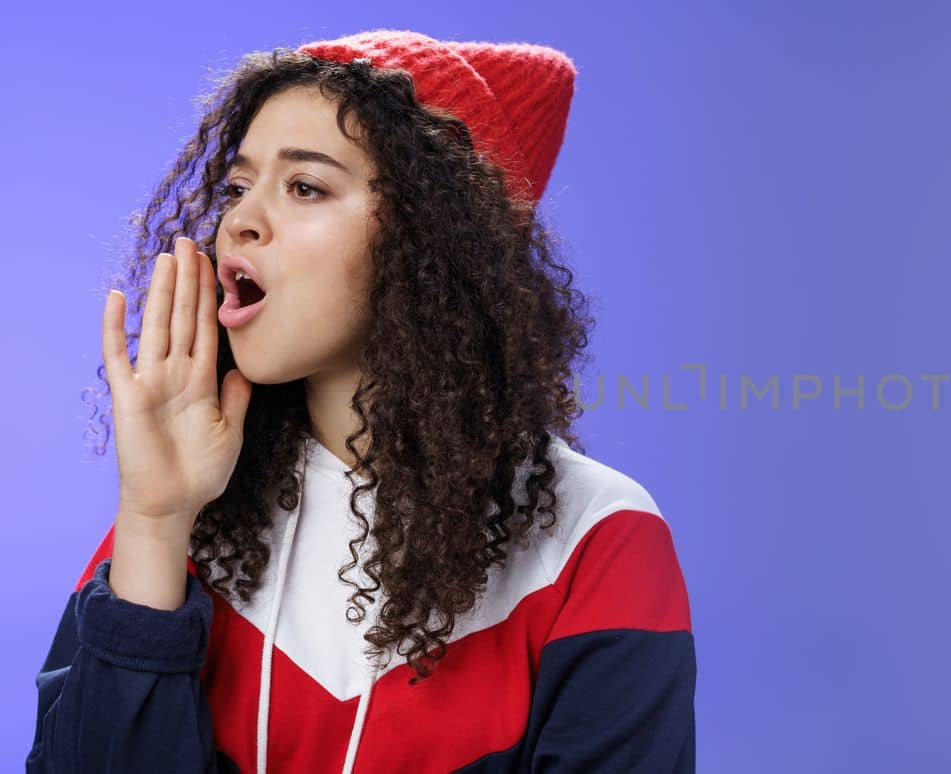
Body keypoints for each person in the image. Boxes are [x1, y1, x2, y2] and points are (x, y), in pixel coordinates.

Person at [26, 29, 695, 773]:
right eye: (238, 187)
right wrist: (153, 523)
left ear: (435, 241)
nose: (238, 222)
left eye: (305, 186)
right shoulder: (188, 513)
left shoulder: (595, 542)